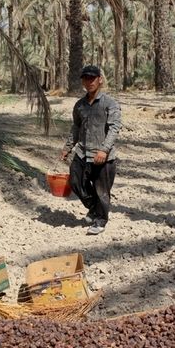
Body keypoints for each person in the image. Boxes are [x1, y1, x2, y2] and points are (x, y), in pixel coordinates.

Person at [60, 65, 122, 235]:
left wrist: (104, 150)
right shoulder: (79, 105)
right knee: (75, 181)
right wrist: (67, 147)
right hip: (82, 152)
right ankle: (94, 208)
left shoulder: (110, 103)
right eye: (86, 78)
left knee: (102, 190)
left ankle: (101, 221)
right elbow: (76, 127)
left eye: (92, 78)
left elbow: (114, 128)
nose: (89, 82)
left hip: (103, 156)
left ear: (100, 80)